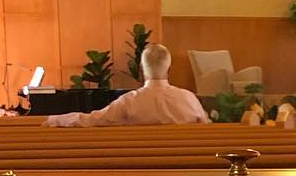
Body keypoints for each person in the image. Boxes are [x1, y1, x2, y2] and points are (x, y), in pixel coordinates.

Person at [46, 43, 208, 126]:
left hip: (140, 167)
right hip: (183, 167)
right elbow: (206, 128)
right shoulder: (189, 99)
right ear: (169, 69)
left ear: (141, 69)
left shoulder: (129, 101)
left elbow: (92, 120)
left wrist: (55, 120)